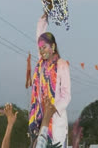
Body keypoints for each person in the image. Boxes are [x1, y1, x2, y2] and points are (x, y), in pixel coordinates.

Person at [28, 13, 71, 148]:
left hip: (55, 121)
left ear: (52, 47)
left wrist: (53, 109)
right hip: (39, 119)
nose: (41, 51)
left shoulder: (62, 64)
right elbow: (39, 35)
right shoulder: (41, 64)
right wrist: (44, 17)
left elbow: (66, 95)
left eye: (44, 47)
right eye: (40, 48)